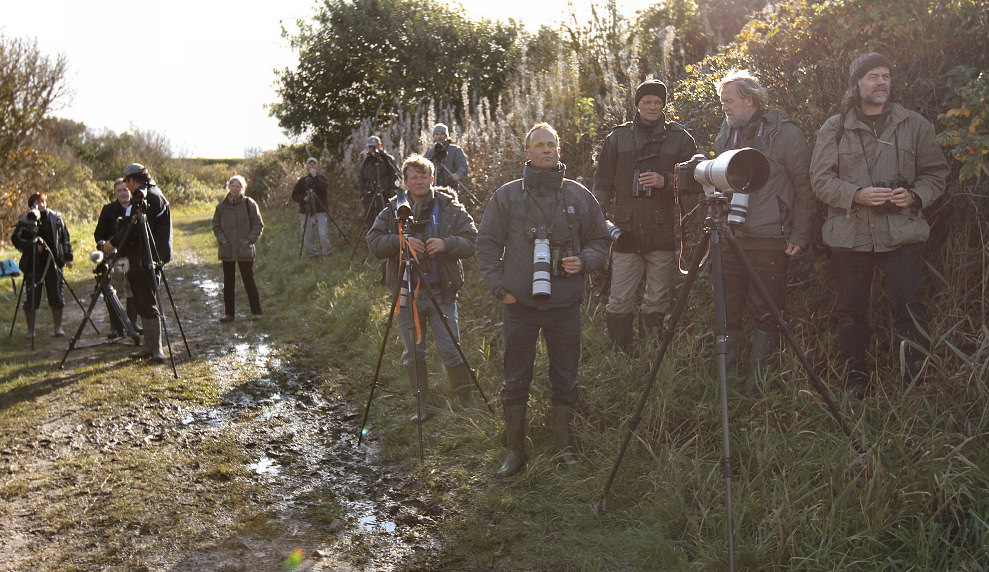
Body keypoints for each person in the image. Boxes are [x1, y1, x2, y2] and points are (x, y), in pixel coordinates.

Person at [810, 52, 948, 397]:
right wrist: (856, 194)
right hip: (850, 234)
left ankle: (916, 383)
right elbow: (820, 180)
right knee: (851, 311)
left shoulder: (914, 124)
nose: (881, 82)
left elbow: (936, 174)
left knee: (909, 307)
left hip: (901, 233)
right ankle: (855, 381)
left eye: (886, 76)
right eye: (873, 76)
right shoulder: (835, 127)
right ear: (856, 84)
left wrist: (913, 196)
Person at [476, 123, 610, 477]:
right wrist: (499, 288)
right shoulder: (507, 196)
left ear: (559, 150)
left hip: (564, 305)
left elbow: (601, 240)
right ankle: (514, 451)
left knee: (565, 377)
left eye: (552, 144)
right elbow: (486, 243)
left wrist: (584, 261)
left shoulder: (578, 195)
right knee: (515, 376)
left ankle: (565, 449)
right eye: (539, 145)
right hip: (518, 304)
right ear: (528, 152)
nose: (547, 149)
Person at [714, 70, 817, 387]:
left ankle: (757, 387)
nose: (724, 108)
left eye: (729, 101)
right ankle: (725, 383)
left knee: (768, 310)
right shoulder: (727, 132)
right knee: (727, 309)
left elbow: (805, 187)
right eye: (722, 102)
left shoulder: (784, 134)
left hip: (770, 238)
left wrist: (800, 234)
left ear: (750, 100)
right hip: (730, 236)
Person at [367, 154, 477, 420]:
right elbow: (374, 243)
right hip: (407, 293)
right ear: (405, 181)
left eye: (424, 176)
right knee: (414, 352)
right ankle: (422, 405)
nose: (419, 181)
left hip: (442, 291)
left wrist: (446, 244)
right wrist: (400, 242)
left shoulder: (449, 207)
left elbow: (473, 240)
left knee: (450, 348)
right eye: (413, 177)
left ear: (432, 178)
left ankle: (467, 402)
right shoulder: (393, 209)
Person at [592, 79, 698, 351]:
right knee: (619, 300)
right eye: (647, 102)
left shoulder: (681, 139)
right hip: (626, 233)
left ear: (663, 105)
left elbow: (695, 182)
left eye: (657, 102)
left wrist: (666, 182)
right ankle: (622, 356)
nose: (652, 107)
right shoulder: (618, 138)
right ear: (638, 104)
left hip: (664, 232)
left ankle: (651, 356)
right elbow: (602, 184)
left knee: (657, 301)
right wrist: (596, 222)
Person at [102, 163, 173, 362]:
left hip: (148, 257)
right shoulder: (144, 196)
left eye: (127, 181)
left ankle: (156, 348)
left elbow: (136, 230)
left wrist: (113, 242)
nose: (127, 186)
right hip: (139, 257)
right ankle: (148, 346)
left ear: (132, 180)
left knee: (148, 301)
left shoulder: (151, 197)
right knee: (141, 301)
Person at [10, 192, 73, 337]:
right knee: (32, 296)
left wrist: (68, 257)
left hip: (54, 262)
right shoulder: (26, 219)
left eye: (43, 201)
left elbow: (65, 238)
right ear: (32, 205)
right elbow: (16, 239)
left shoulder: (56, 218)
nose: (41, 204)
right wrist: (32, 246)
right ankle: (30, 331)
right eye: (37, 202)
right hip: (33, 264)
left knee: (56, 295)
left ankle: (58, 328)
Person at [213, 175, 264, 323]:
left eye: (238, 186)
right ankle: (229, 314)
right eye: (233, 186)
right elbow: (216, 225)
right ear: (228, 187)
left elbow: (258, 225)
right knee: (228, 283)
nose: (235, 189)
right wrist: (222, 239)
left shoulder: (249, 204)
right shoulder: (221, 206)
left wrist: (249, 240)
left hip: (245, 249)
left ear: (243, 188)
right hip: (227, 249)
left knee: (249, 280)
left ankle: (256, 312)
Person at [94, 178, 140, 340]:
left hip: (133, 256)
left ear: (130, 190)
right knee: (114, 292)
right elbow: (99, 234)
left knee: (133, 291)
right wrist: (104, 246)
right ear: (115, 192)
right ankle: (116, 327)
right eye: (119, 190)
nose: (123, 193)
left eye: (125, 189)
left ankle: (133, 323)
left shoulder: (137, 207)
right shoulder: (108, 210)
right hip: (114, 258)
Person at [291, 157, 333, 258]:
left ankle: (327, 253)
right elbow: (294, 195)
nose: (312, 166)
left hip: (320, 211)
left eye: (314, 164)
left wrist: (315, 177)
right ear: (307, 166)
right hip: (305, 211)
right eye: (310, 164)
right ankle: (312, 255)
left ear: (317, 165)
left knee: (322, 233)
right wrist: (303, 198)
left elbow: (323, 188)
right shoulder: (302, 181)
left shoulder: (322, 178)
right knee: (307, 235)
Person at [358, 135, 400, 229]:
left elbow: (395, 176)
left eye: (374, 146)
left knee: (387, 218)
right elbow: (361, 179)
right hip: (370, 196)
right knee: (370, 220)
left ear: (380, 145)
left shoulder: (387, 159)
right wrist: (363, 194)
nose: (372, 149)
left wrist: (392, 193)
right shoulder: (366, 162)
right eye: (370, 147)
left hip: (385, 195)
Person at [423, 123, 468, 190]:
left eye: (442, 134)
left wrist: (458, 175)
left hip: (451, 187)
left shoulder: (455, 150)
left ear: (446, 136)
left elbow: (463, 166)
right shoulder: (429, 152)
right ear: (434, 136)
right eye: (437, 134)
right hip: (434, 187)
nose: (439, 137)